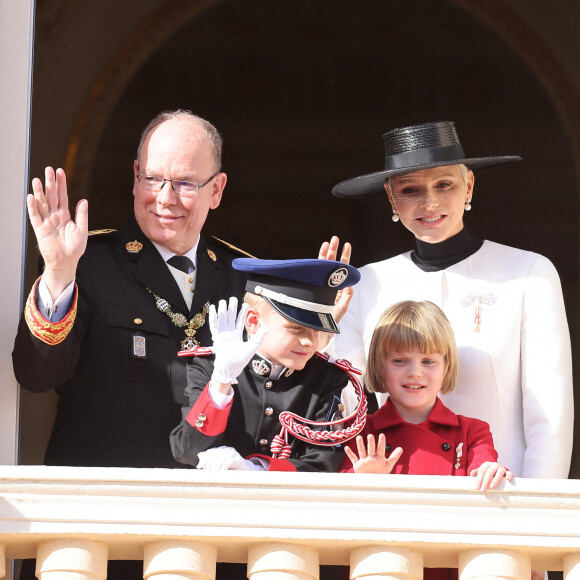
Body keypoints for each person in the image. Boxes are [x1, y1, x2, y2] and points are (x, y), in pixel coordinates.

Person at [12, 110, 249, 579]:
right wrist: (58, 273)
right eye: (153, 178)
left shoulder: (247, 278)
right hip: (98, 534)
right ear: (134, 176)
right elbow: (36, 375)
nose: (165, 198)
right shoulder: (92, 263)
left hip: (213, 538)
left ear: (216, 190)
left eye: (185, 183)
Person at [329, 120, 573, 482]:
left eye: (445, 184)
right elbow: (343, 410)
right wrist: (318, 329)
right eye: (410, 189)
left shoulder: (528, 273)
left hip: (500, 498)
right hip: (394, 500)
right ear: (391, 198)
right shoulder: (365, 284)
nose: (430, 202)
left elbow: (549, 415)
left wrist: (534, 510)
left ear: (469, 185)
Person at [340, 300, 513, 580]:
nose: (415, 372)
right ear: (379, 365)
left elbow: (486, 469)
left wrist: (494, 473)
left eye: (428, 361)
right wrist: (363, 482)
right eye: (400, 360)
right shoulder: (362, 432)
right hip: (383, 569)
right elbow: (332, 508)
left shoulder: (471, 432)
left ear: (446, 366)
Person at [171, 257, 366, 473]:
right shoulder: (210, 366)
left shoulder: (327, 379)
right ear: (253, 322)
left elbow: (324, 463)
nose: (309, 341)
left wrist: (256, 469)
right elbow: (187, 451)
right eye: (296, 328)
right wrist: (220, 383)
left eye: (317, 330)